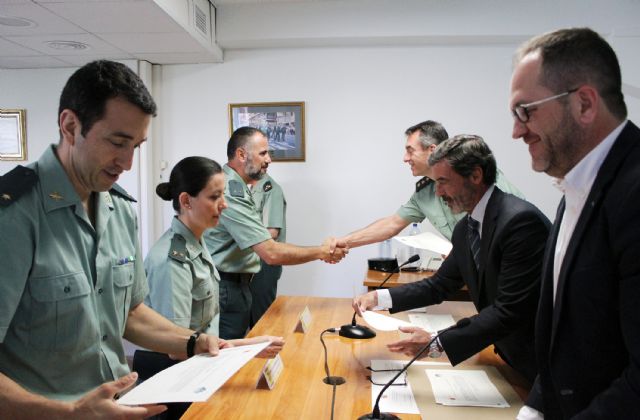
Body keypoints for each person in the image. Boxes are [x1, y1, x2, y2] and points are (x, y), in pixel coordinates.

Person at [0, 60, 220, 418]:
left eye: (136, 145)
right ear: (71, 126)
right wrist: (69, 412)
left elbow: (129, 313)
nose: (128, 163)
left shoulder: (120, 210)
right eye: (117, 143)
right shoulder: (13, 216)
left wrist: (194, 342)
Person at [510, 28, 640, 419]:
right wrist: (534, 408)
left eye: (525, 110)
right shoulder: (577, 188)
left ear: (584, 104)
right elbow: (569, 340)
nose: (516, 131)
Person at [353, 135, 550, 383]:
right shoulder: (467, 227)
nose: (438, 192)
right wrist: (378, 298)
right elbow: (440, 285)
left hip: (544, 363)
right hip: (511, 358)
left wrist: (436, 343)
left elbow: (509, 311)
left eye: (443, 182)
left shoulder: (519, 222)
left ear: (476, 176)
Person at [142, 156, 284, 419]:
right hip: (172, 385)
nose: (224, 204)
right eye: (214, 197)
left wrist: (249, 346)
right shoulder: (172, 260)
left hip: (196, 374)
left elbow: (200, 337)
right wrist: (246, 348)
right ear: (186, 201)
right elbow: (178, 348)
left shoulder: (197, 241)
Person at [204, 126, 347, 339]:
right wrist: (322, 251)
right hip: (225, 286)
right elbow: (270, 251)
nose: (269, 159)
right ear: (241, 154)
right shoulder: (230, 189)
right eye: (263, 153)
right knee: (225, 358)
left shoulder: (241, 186)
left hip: (237, 283)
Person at [337, 121, 523, 253]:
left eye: (410, 151)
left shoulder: (473, 176)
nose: (405, 158)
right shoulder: (424, 194)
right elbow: (392, 224)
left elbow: (513, 223)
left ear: (432, 150)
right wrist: (343, 242)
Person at [249, 173, 287, 327]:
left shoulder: (270, 189)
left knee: (261, 321)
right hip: (249, 262)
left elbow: (272, 232)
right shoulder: (245, 188)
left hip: (263, 262)